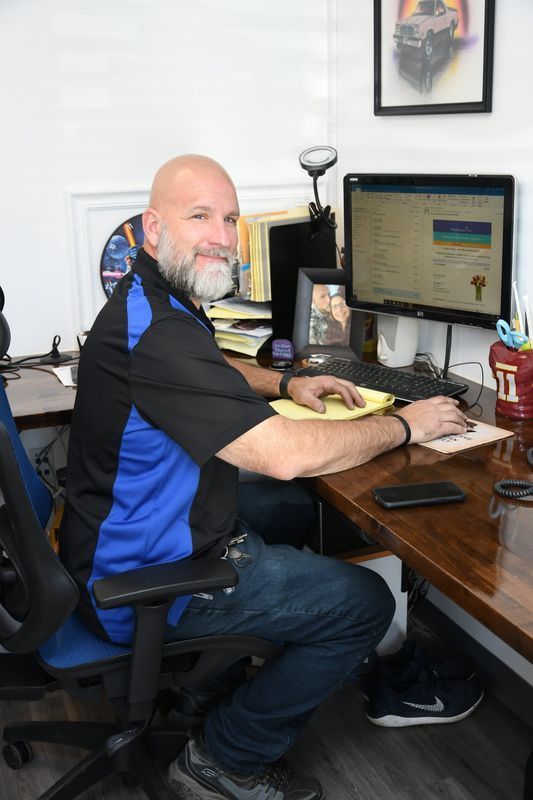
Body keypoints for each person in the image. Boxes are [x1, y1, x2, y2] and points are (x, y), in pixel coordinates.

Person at [60, 154, 469, 800]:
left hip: (127, 543)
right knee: (363, 602)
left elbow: (208, 364)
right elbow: (282, 453)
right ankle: (223, 759)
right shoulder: (157, 330)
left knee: (293, 510)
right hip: (143, 583)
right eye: (200, 216)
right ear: (154, 226)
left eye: (229, 219)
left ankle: (207, 685)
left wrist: (285, 380)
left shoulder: (151, 298)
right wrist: (406, 426)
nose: (222, 235)